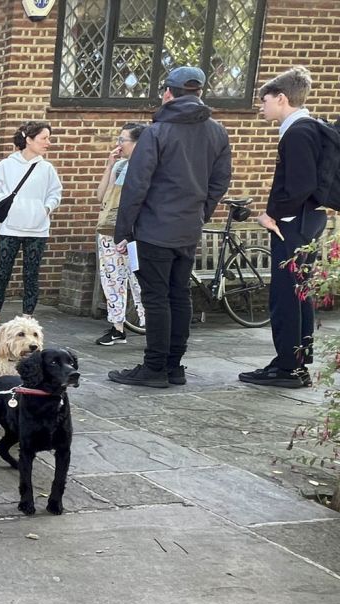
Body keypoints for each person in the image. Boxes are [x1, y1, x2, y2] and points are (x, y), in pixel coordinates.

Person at [107, 67, 231, 388]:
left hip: (153, 230)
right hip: (188, 229)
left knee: (156, 299)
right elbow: (219, 182)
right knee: (179, 296)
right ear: (199, 92)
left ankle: (154, 368)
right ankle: (174, 366)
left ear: (167, 93)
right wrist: (200, 213)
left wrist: (123, 231)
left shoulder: (157, 132)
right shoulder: (217, 132)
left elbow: (136, 185)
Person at [241, 66, 328, 389]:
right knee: (299, 293)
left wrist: (270, 214)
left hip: (293, 224)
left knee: (285, 296)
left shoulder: (298, 131)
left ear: (281, 98)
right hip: (307, 221)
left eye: (264, 101)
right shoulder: (309, 127)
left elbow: (300, 184)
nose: (261, 107)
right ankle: (296, 362)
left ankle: (288, 367)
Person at [0, 122, 63, 336]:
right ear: (29, 139)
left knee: (31, 275)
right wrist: (9, 205)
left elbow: (55, 193)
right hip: (9, 229)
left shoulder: (47, 168)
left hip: (37, 230)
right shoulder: (7, 165)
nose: (48, 143)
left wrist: (46, 208)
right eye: (44, 138)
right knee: (2, 274)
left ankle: (28, 323)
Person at [94, 122, 148, 345]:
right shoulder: (119, 167)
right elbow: (100, 196)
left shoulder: (148, 167)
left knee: (140, 281)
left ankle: (150, 326)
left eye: (122, 140)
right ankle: (117, 327)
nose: (119, 144)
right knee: (112, 279)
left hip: (136, 233)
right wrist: (109, 166)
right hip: (109, 231)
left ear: (137, 143)